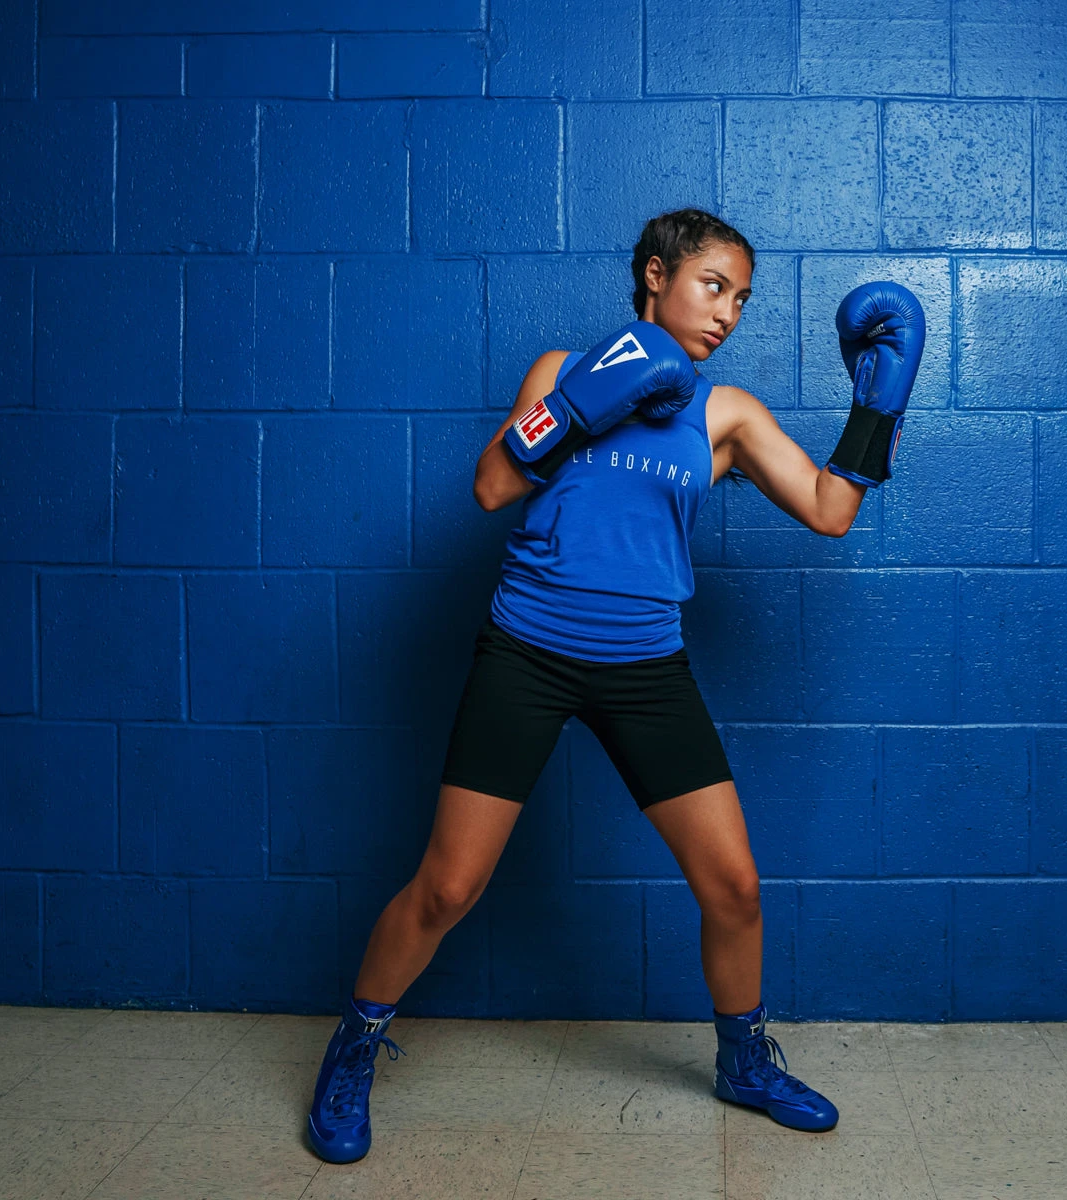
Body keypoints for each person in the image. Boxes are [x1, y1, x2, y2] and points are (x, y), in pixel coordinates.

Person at [305, 207, 926, 1164]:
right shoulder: (562, 370)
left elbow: (828, 509)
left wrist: (875, 406)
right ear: (655, 275)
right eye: (713, 286)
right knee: (448, 886)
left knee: (735, 887)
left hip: (645, 668)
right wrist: (584, 402)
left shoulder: (726, 415)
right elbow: (491, 487)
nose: (727, 313)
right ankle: (353, 1048)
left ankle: (743, 1062)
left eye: (742, 299)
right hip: (527, 653)